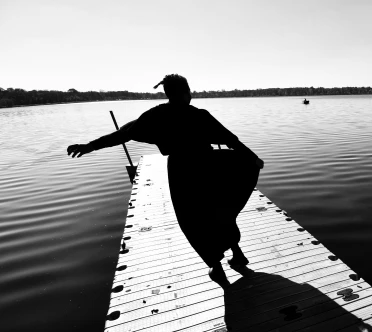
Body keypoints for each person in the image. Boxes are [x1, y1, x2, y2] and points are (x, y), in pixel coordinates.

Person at [67, 74, 264, 289]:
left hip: (182, 174)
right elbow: (230, 139)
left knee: (194, 221)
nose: (190, 95)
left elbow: (122, 135)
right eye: (188, 91)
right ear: (182, 92)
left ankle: (217, 268)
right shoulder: (199, 115)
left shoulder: (156, 116)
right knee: (220, 211)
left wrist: (88, 146)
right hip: (208, 168)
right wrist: (252, 158)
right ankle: (237, 255)